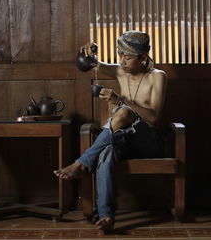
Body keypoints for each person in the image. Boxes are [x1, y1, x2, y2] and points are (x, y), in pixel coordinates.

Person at [54, 30, 167, 231]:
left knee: (123, 113)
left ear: (142, 57)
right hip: (123, 139)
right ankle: (106, 216)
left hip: (149, 142)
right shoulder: (120, 71)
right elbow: (88, 65)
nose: (122, 61)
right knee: (106, 152)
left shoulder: (157, 77)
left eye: (127, 56)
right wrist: (91, 50)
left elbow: (155, 119)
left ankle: (82, 163)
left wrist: (122, 101)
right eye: (119, 54)